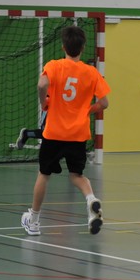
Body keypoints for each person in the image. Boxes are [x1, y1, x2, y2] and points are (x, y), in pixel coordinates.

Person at [21, 26, 111, 236]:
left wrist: (44, 102)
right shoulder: (91, 72)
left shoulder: (54, 66)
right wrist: (87, 110)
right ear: (83, 48)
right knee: (77, 176)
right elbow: (104, 103)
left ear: (63, 47)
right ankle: (91, 199)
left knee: (44, 175)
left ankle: (34, 221)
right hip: (77, 135)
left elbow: (42, 84)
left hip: (54, 134)